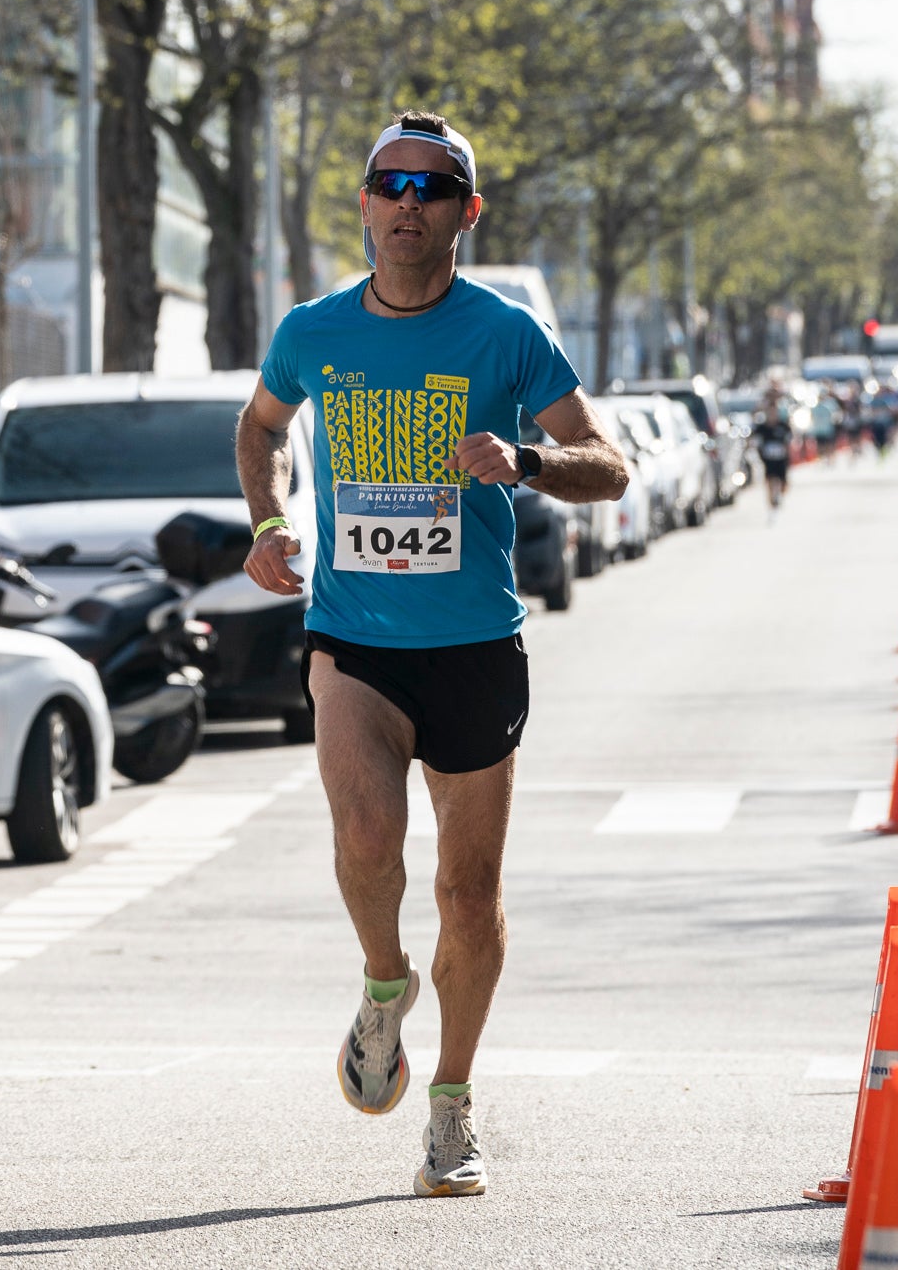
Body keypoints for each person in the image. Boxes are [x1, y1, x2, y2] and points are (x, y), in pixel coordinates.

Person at [234, 111, 627, 1197]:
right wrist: (270, 522)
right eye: (391, 186)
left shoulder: (505, 333)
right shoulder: (312, 329)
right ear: (364, 204)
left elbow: (609, 464)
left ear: (466, 211)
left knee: (468, 886)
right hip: (353, 638)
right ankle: (382, 981)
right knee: (367, 835)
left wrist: (528, 461)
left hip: (474, 645)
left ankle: (450, 1103)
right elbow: (260, 426)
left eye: (434, 188)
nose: (409, 204)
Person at [749, 400, 793, 519]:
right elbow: (754, 440)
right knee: (770, 480)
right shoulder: (762, 428)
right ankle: (772, 502)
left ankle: (778, 495)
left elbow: (789, 440)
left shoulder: (783, 426)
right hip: (768, 460)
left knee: (783, 483)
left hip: (781, 459)